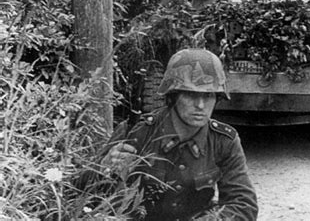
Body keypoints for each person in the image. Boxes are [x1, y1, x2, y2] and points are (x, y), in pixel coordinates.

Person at [101, 48, 258, 221]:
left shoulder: (224, 141)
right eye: (191, 95)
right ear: (173, 96)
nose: (200, 105)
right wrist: (104, 169)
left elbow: (244, 204)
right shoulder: (138, 131)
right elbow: (83, 191)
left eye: (208, 96)